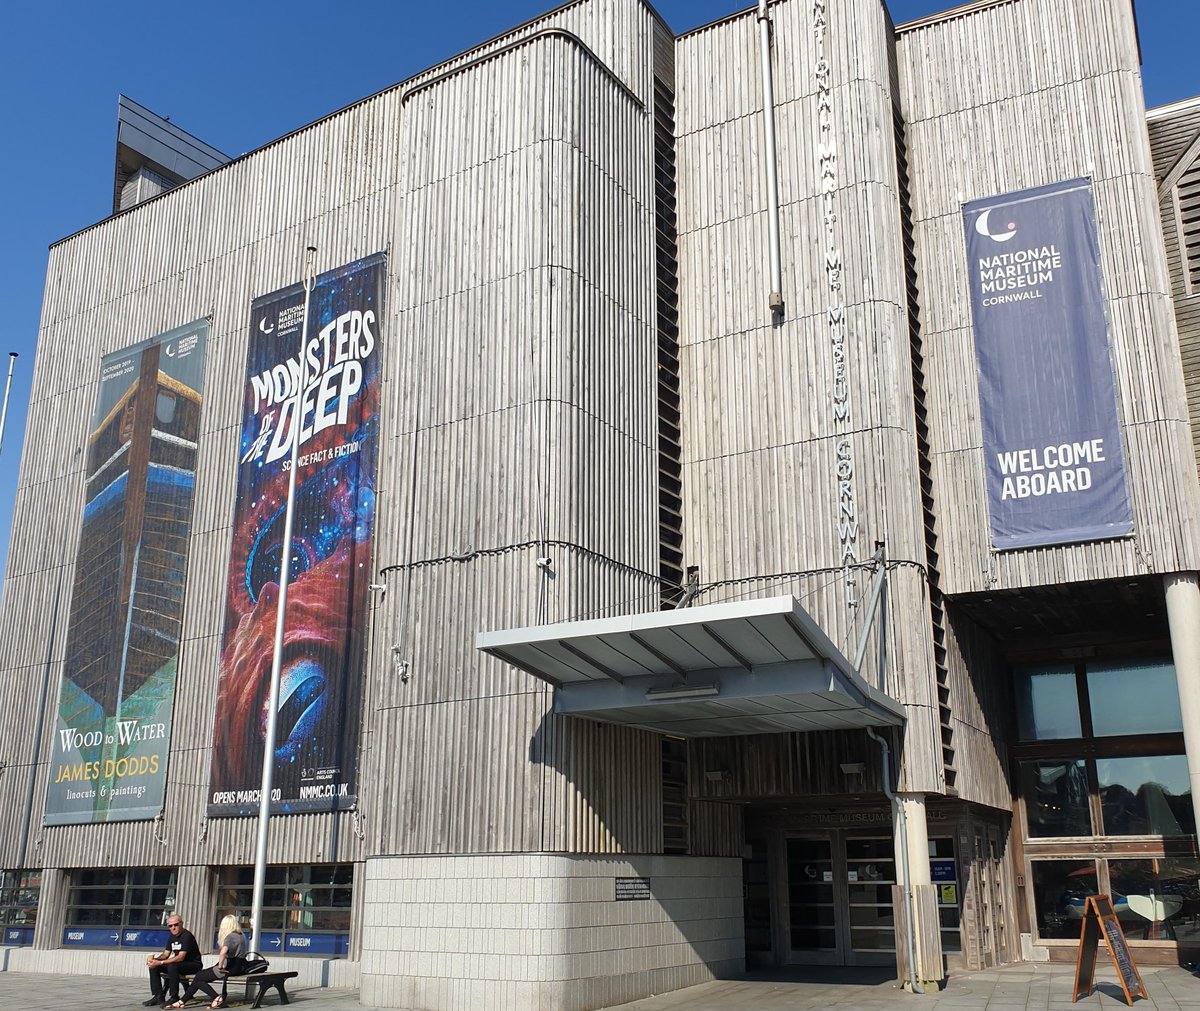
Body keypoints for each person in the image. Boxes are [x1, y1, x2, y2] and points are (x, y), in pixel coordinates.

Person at [166, 914, 247, 1009]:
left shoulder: (230, 937)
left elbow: (223, 952)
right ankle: (182, 1001)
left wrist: (220, 966)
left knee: (199, 976)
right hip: (239, 967)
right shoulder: (241, 935)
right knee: (199, 977)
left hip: (229, 967)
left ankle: (216, 998)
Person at [144, 914, 202, 1007]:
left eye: (176, 925)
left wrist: (161, 962)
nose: (173, 928)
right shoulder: (172, 937)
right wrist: (155, 960)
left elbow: (180, 957)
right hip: (179, 964)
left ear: (181, 924)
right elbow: (166, 954)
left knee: (172, 966)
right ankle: (158, 995)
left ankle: (174, 996)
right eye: (170, 926)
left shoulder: (187, 936)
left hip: (193, 964)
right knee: (154, 967)